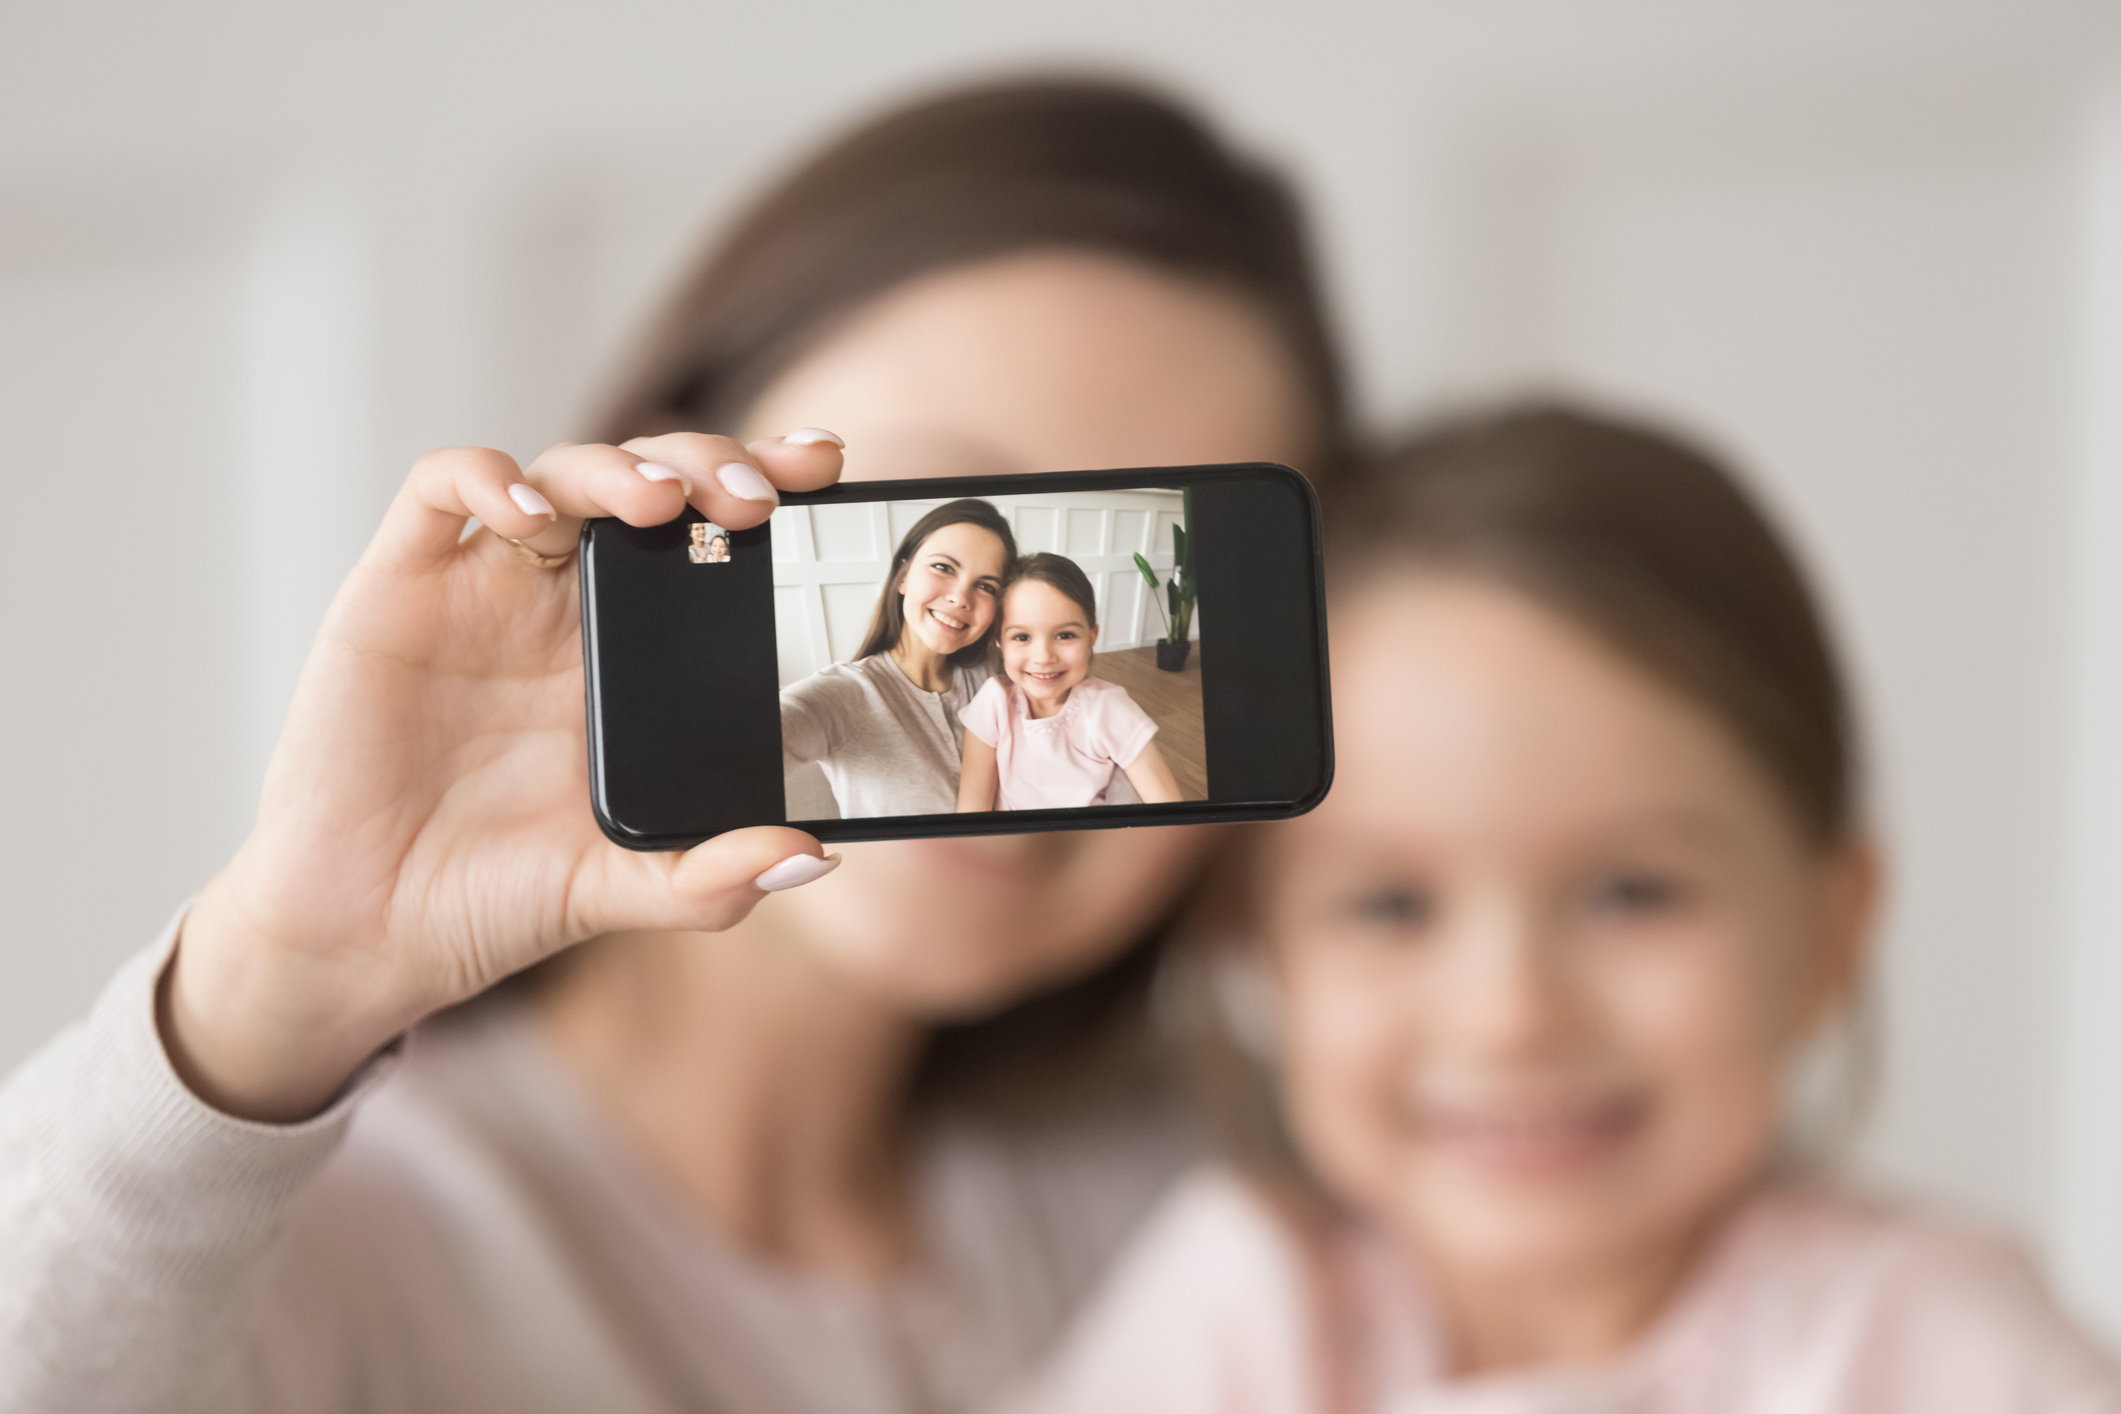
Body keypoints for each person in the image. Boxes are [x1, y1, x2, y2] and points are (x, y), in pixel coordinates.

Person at [0, 78, 1348, 1413]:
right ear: (721, 460)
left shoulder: (1214, 1213)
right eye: (945, 511)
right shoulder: (357, 1234)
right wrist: (284, 974)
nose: (1004, 628)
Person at [1010, 407, 2121, 1413]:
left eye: (1633, 892)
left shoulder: (1928, 1342)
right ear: (1257, 941)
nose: (1513, 1013)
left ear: (1831, 929)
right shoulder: (1244, 1303)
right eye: (1392, 905)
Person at [782, 498, 1015, 817]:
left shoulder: (1001, 674)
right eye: (943, 567)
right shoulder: (846, 694)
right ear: (904, 575)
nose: (960, 598)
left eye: (986, 586)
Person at [958, 553, 1182, 812]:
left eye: (1065, 635)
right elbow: (972, 810)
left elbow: (1170, 811)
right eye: (1021, 637)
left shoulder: (1109, 708)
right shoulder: (993, 702)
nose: (1043, 657)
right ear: (999, 641)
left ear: (1091, 637)